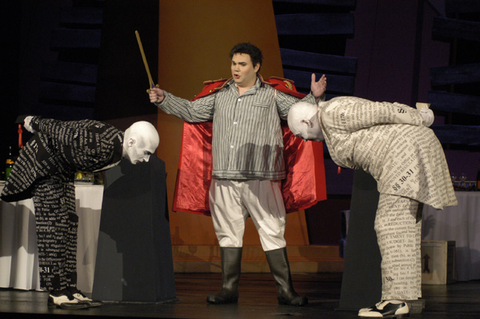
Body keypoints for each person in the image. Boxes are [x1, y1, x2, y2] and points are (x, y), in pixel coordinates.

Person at [148, 42, 327, 306]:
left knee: (272, 230)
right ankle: (229, 289)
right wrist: (165, 99)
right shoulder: (221, 94)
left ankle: (285, 291)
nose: (236, 68)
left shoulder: (272, 95)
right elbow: (191, 111)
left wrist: (314, 98)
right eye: (234, 63)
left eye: (242, 64)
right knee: (228, 233)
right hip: (225, 177)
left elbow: (302, 114)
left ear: (256, 67)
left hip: (261, 176)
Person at [287, 97, 457, 317]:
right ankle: (405, 297)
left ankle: (395, 299)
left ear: (306, 122)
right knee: (403, 226)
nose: (306, 140)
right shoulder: (330, 120)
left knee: (389, 224)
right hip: (404, 155)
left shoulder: (332, 113)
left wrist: (421, 117)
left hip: (402, 155)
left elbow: (381, 111)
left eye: (301, 135)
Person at [1, 116, 159, 309]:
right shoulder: (100, 141)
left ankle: (69, 288)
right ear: (132, 142)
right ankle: (57, 291)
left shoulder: (116, 149)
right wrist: (31, 121)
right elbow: (59, 128)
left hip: (62, 171)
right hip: (44, 166)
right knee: (54, 227)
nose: (146, 159)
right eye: (146, 152)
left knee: (69, 223)